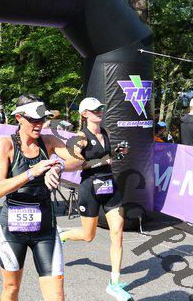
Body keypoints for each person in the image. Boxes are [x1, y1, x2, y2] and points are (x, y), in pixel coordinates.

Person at [0, 94, 89, 301]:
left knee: (57, 296)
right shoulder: (6, 144)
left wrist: (59, 165)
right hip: (12, 231)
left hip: (45, 229)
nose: (39, 124)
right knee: (11, 289)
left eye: (42, 119)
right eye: (33, 120)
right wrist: (32, 172)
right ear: (19, 118)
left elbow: (79, 160)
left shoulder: (49, 141)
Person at [58, 97, 132, 301]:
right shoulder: (80, 138)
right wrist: (101, 161)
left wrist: (118, 154)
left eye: (100, 108)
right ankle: (63, 234)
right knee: (88, 236)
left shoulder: (105, 132)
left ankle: (114, 283)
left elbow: (108, 159)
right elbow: (75, 164)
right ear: (84, 114)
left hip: (109, 186)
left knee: (117, 233)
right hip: (90, 188)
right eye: (94, 110)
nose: (99, 111)